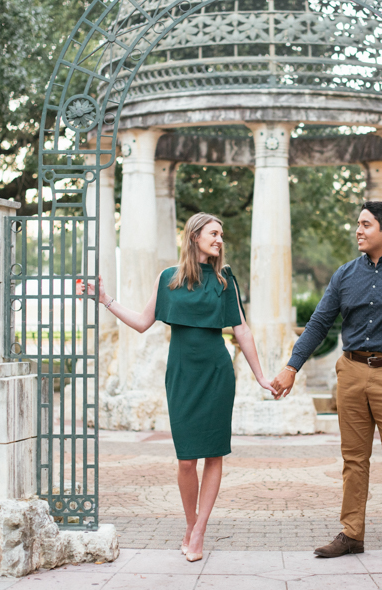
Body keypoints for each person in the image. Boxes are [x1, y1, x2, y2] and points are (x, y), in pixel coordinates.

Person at [81, 212, 275, 562]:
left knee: (214, 453)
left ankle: (198, 531)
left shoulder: (225, 280)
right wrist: (105, 300)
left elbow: (241, 330)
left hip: (217, 373)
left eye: (221, 235)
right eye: (213, 233)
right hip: (182, 373)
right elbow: (142, 323)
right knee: (187, 460)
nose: (219, 239)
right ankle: (191, 524)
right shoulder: (168, 279)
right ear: (194, 236)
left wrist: (260, 376)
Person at [271, 200, 382, 566]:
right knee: (353, 459)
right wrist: (292, 366)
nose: (358, 230)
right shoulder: (344, 274)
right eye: (358, 224)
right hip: (352, 372)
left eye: (365, 224)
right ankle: (352, 534)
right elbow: (319, 323)